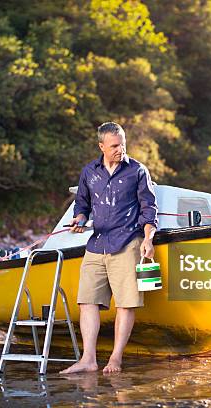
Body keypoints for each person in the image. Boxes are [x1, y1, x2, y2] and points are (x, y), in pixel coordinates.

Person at [60, 122, 158, 374]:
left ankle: (115, 358)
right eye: (114, 145)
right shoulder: (89, 172)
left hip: (128, 242)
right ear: (101, 146)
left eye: (122, 144)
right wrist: (79, 220)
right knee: (87, 301)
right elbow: (81, 205)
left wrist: (149, 239)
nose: (120, 149)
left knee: (126, 304)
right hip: (96, 244)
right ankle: (88, 360)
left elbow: (149, 210)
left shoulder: (138, 171)